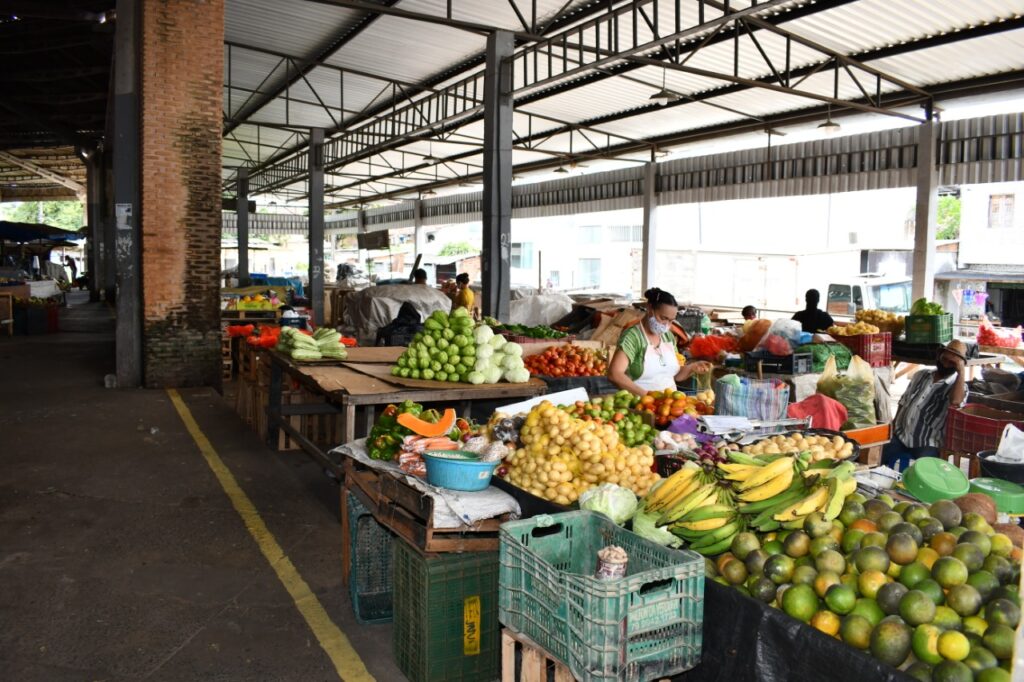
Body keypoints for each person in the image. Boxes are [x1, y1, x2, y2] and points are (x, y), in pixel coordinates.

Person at [608, 287, 713, 397]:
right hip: (641, 404)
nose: (666, 325)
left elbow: (674, 374)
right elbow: (614, 374)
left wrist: (692, 367)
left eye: (671, 320)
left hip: (669, 405)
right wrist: (647, 396)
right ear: (649, 309)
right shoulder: (633, 337)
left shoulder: (668, 336)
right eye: (663, 318)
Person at [882, 340, 969, 468]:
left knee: (923, 471)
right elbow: (903, 401)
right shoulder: (921, 375)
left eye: (952, 363)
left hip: (927, 442)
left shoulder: (959, 387)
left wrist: (961, 372)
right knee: (879, 461)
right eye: (944, 359)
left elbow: (956, 401)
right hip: (901, 434)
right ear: (939, 356)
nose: (945, 364)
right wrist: (893, 427)